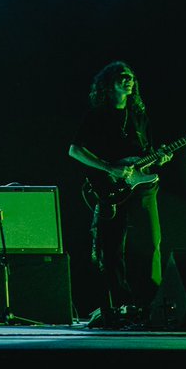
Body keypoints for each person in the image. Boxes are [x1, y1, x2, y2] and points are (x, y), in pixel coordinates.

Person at [68, 61, 170, 328]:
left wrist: (160, 158)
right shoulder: (96, 115)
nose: (129, 81)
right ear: (109, 82)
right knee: (111, 249)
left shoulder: (139, 115)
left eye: (132, 77)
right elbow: (75, 150)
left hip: (144, 187)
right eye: (123, 77)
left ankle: (150, 306)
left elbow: (145, 153)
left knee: (150, 243)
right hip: (109, 188)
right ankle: (120, 306)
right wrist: (107, 167)